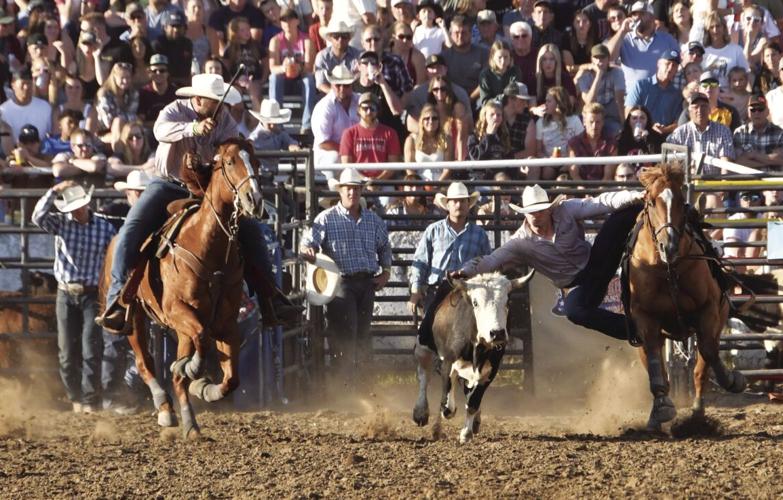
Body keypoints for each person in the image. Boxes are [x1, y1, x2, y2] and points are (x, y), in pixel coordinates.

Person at [96, 73, 301, 333]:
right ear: (198, 99)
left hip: (204, 188)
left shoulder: (224, 118)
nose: (219, 107)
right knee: (130, 230)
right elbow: (160, 131)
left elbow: (228, 150)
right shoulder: (175, 110)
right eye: (214, 101)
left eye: (219, 101)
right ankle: (117, 298)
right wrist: (192, 129)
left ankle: (271, 297)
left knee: (252, 231)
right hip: (167, 184)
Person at [454, 183, 645, 341]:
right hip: (579, 284)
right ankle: (637, 330)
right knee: (574, 311)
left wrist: (636, 196)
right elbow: (490, 261)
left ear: (548, 209)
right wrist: (466, 271)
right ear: (525, 214)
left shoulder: (566, 210)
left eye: (540, 210)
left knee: (623, 213)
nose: (536, 215)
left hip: (597, 261)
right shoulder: (520, 242)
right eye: (531, 212)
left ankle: (654, 206)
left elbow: (601, 202)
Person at [32, 181, 117, 414]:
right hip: (66, 292)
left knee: (90, 349)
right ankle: (76, 398)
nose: (76, 211)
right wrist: (53, 191)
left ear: (86, 204)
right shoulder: (61, 223)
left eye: (79, 207)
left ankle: (88, 399)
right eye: (73, 208)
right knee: (67, 352)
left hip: (91, 293)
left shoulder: (104, 228)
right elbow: (37, 217)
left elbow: (113, 258)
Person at [299, 168, 391, 375]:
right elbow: (307, 243)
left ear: (361, 191)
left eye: (356, 189)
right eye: (348, 189)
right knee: (346, 334)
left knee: (362, 333)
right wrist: (308, 249)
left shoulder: (373, 220)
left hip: (367, 282)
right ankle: (345, 379)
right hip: (341, 283)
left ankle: (359, 380)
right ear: (340, 191)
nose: (352, 192)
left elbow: (385, 247)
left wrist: (386, 272)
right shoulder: (326, 218)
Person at [408, 182, 491, 350]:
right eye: (454, 201)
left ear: (468, 204)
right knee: (428, 339)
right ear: (448, 205)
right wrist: (415, 291)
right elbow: (420, 261)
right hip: (437, 289)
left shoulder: (480, 234)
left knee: (469, 338)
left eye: (463, 201)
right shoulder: (433, 230)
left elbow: (487, 265)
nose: (459, 204)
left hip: (467, 293)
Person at [606, 0, 680, 90]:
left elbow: (678, 64)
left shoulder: (667, 39)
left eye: (642, 14)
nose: (637, 18)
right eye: (634, 15)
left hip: (660, 94)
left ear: (652, 17)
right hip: (633, 95)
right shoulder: (625, 38)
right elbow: (608, 57)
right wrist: (621, 31)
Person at [268, 8, 316, 134]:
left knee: (309, 79)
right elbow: (272, 68)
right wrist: (284, 68)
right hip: (284, 80)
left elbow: (309, 67)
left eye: (290, 19)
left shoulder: (306, 40)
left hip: (300, 79)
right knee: (274, 78)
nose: (287, 23)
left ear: (297, 21)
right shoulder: (276, 41)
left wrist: (298, 68)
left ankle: (306, 125)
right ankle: (277, 122)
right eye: (284, 20)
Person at [339, 92, 400, 179]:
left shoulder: (390, 133)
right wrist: (364, 180)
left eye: (372, 108)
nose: (368, 112)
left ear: (378, 110)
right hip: (356, 180)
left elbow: (393, 164)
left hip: (383, 181)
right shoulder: (349, 133)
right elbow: (347, 165)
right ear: (358, 110)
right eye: (365, 108)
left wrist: (377, 180)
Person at [311, 64, 360, 172]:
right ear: (332, 85)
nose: (342, 89)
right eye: (338, 85)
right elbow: (323, 143)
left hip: (357, 151)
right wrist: (349, 151)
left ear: (352, 85)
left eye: (346, 85)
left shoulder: (361, 101)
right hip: (328, 154)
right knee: (334, 158)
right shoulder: (324, 106)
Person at [624, 52, 683, 137]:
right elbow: (629, 112)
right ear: (659, 64)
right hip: (639, 134)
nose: (670, 68)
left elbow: (678, 123)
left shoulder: (676, 94)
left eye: (674, 65)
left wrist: (665, 130)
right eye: (667, 63)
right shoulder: (641, 86)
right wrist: (649, 127)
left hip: (664, 138)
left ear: (677, 70)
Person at [575, 43, 626, 136]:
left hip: (610, 118)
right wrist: (599, 75)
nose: (599, 61)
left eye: (602, 58)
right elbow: (589, 102)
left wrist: (624, 124)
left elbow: (620, 100)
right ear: (591, 59)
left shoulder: (617, 73)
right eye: (596, 58)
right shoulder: (584, 75)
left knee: (617, 132)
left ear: (608, 59)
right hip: (591, 118)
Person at [536, 86, 584, 179]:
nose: (545, 104)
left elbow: (582, 146)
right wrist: (548, 160)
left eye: (549, 101)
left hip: (569, 161)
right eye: (546, 101)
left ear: (558, 103)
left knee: (566, 175)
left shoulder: (574, 120)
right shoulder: (541, 122)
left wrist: (569, 162)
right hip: (549, 161)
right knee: (547, 173)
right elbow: (538, 151)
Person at [441, 14, 489, 100]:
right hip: (451, 98)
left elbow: (485, 82)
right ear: (450, 34)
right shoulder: (444, 57)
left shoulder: (484, 53)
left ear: (470, 34)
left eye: (464, 33)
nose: (460, 36)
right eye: (456, 33)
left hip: (477, 98)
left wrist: (469, 99)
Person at [248, 99, 302, 174]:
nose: (272, 126)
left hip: (275, 172)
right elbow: (248, 146)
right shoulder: (254, 136)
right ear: (262, 120)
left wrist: (292, 145)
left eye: (275, 122)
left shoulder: (279, 133)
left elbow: (290, 142)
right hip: (259, 174)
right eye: (269, 123)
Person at [403, 103, 453, 181]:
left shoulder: (446, 139)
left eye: (434, 118)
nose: (431, 121)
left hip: (441, 182)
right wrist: (420, 185)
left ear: (439, 121)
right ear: (422, 121)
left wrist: (436, 185)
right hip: (418, 183)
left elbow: (447, 169)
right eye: (427, 118)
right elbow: (409, 170)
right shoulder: (411, 140)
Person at [0, 68, 52, 143]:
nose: (26, 87)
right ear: (13, 85)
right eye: (23, 84)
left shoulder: (45, 107)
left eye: (29, 83)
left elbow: (52, 135)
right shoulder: (3, 111)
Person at [568, 103, 617, 181]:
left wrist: (600, 188)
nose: (594, 126)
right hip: (580, 186)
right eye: (591, 122)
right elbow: (574, 173)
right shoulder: (574, 143)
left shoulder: (611, 142)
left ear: (603, 122)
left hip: (604, 185)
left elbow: (608, 174)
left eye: (598, 122)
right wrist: (582, 187)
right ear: (584, 122)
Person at [733, 94, 783, 171]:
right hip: (747, 178)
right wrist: (770, 160)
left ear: (768, 111)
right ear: (748, 112)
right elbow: (738, 162)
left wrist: (753, 155)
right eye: (753, 110)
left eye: (760, 109)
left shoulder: (779, 133)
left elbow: (780, 160)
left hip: (773, 178)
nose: (757, 113)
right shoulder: (739, 133)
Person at [701, 11, 749, 90]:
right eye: (711, 27)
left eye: (718, 26)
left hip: (731, 93)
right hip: (709, 93)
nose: (715, 30)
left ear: (724, 28)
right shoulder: (703, 52)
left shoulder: (736, 50)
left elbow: (746, 73)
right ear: (707, 31)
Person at [314, 19, 362, 94]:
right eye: (336, 36)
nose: (340, 39)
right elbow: (321, 84)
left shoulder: (358, 55)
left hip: (353, 95)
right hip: (328, 96)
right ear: (330, 38)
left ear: (349, 38)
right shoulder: (322, 56)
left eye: (344, 36)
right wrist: (336, 94)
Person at [478, 40, 522, 107]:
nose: (503, 61)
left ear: (510, 57)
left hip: (511, 107)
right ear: (493, 57)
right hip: (492, 108)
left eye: (506, 57)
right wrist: (502, 98)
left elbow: (514, 95)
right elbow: (485, 101)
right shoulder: (485, 74)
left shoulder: (515, 71)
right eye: (499, 57)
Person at [138, 54, 178, 126]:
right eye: (154, 71)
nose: (158, 73)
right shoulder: (143, 93)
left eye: (162, 70)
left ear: (168, 73)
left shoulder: (176, 92)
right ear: (149, 73)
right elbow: (141, 122)